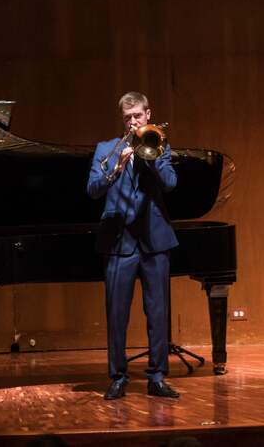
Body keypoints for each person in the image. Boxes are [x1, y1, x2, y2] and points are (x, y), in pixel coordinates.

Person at [87, 92, 181, 400]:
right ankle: (118, 377)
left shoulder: (160, 144)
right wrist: (117, 167)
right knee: (116, 315)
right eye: (128, 117)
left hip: (155, 241)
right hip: (119, 242)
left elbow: (170, 184)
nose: (133, 121)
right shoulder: (106, 149)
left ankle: (157, 377)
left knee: (158, 313)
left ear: (148, 115)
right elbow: (93, 190)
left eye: (137, 115)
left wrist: (149, 159)